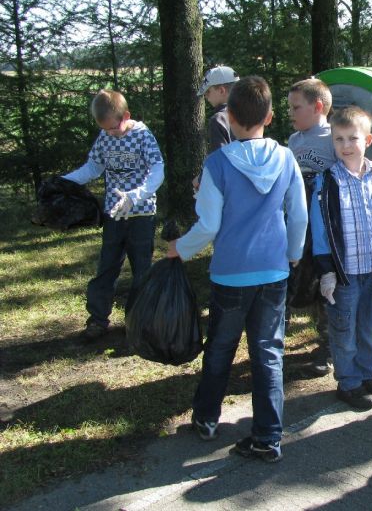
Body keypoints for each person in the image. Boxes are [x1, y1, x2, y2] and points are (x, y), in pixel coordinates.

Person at [168, 76, 307, 463]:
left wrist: (180, 249)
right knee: (269, 353)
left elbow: (208, 225)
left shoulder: (217, 164)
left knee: (220, 347)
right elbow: (298, 215)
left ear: (228, 116)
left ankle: (206, 419)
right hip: (274, 271)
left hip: (230, 274)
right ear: (270, 116)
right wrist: (293, 254)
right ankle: (268, 436)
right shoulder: (286, 158)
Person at [310, 106, 372, 410]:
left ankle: (367, 375)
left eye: (352, 138)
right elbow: (320, 230)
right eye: (339, 139)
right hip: (344, 273)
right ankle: (348, 383)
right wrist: (326, 270)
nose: (346, 145)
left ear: (368, 139)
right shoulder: (326, 183)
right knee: (343, 328)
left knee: (367, 326)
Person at [62, 89, 164, 341]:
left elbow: (158, 170)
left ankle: (139, 322)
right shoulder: (105, 137)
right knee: (107, 266)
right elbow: (93, 167)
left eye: (113, 128)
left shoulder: (143, 135)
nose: (111, 133)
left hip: (141, 214)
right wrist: (64, 181)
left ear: (125, 116)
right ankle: (97, 320)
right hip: (114, 214)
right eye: (105, 130)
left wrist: (136, 195)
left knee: (142, 270)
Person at [287, 78, 337, 376]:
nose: (290, 113)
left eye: (296, 107)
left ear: (318, 107)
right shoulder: (294, 141)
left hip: (325, 227)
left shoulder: (334, 137)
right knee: (297, 276)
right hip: (298, 224)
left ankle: (328, 346)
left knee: (325, 282)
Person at [197, 65, 239, 152]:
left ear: (221, 91)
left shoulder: (219, 120)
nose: (205, 96)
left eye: (208, 91)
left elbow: (220, 158)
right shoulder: (251, 112)